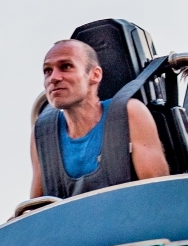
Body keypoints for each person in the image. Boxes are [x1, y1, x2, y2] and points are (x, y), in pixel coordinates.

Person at [29, 39, 169, 200]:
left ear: (95, 75)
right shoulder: (42, 135)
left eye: (66, 67)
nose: (53, 78)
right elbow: (37, 207)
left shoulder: (130, 113)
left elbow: (158, 195)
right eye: (47, 71)